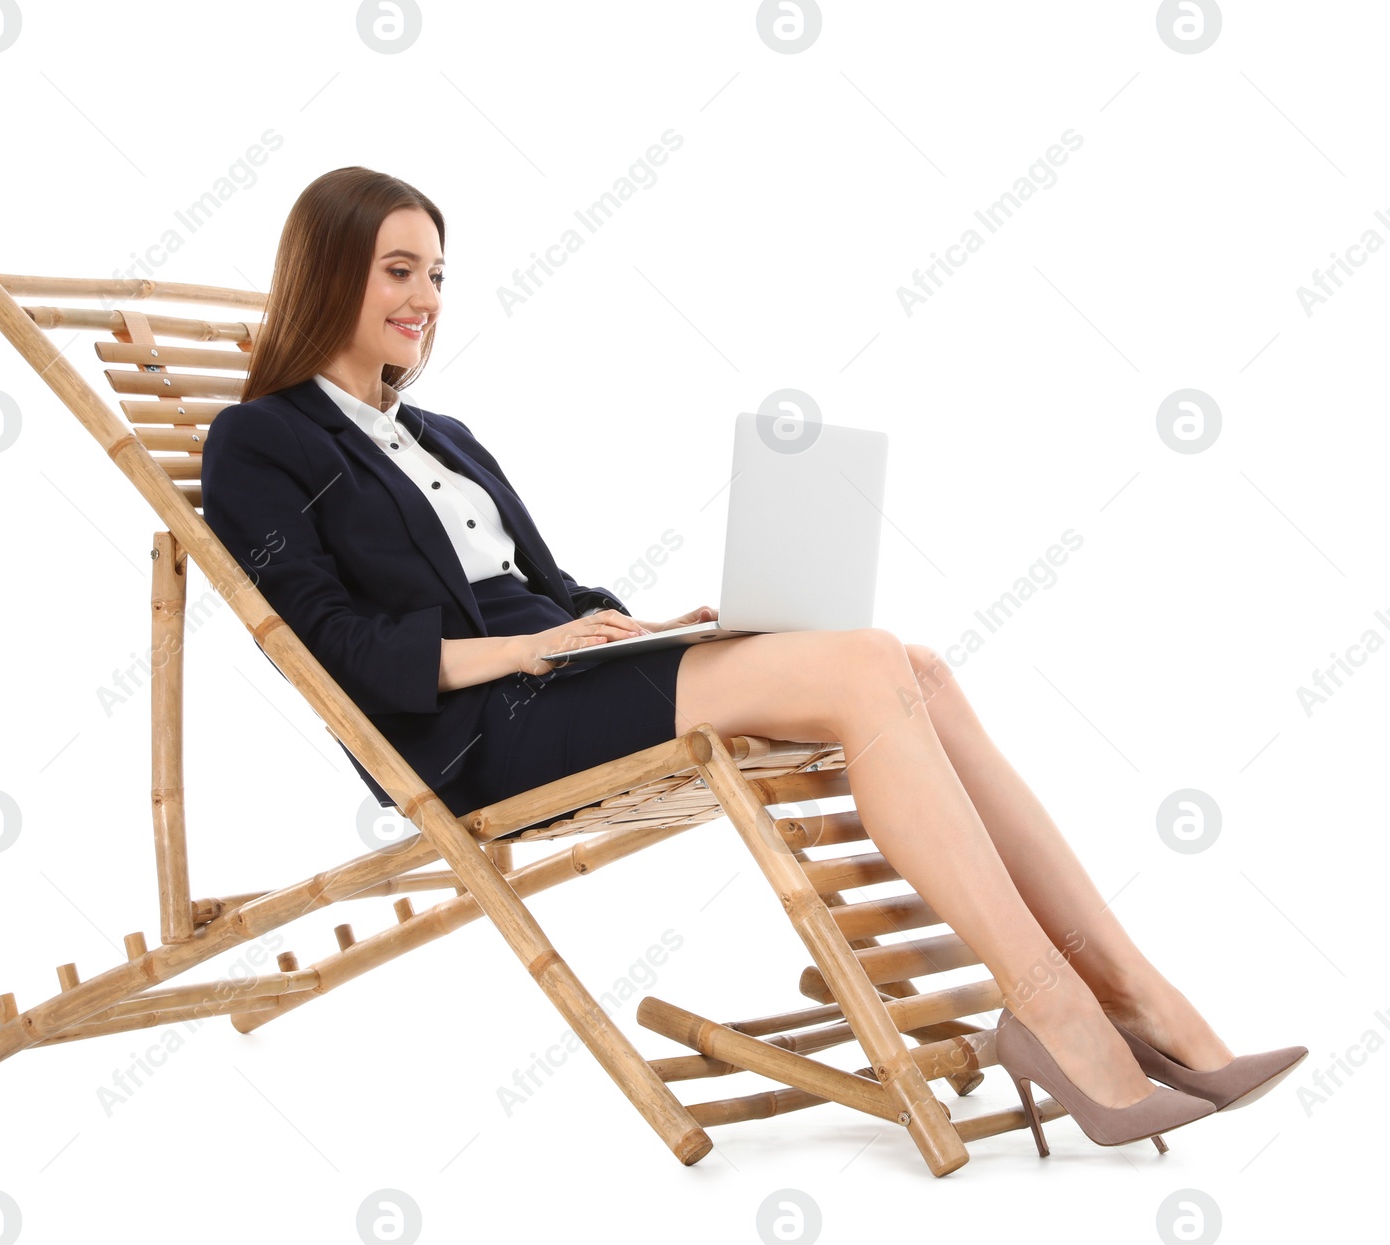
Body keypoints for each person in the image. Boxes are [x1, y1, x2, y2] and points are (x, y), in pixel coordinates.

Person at [202, 166, 1305, 1158]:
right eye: (399, 270)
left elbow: (552, 582)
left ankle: (1134, 993)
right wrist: (527, 648)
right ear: (327, 271)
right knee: (865, 664)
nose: (426, 298)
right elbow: (334, 652)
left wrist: (637, 625)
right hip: (482, 731)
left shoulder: (445, 433)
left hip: (566, 675)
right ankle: (1058, 1011)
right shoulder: (259, 441)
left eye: (437, 273)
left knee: (914, 669)